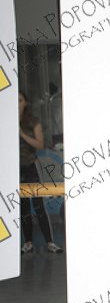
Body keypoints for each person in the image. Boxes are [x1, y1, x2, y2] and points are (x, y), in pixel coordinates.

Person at [18, 90, 62, 254]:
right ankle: (28, 242)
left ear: (25, 103)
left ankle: (50, 242)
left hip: (31, 166)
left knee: (38, 205)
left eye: (20, 100)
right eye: (14, 100)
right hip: (15, 169)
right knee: (23, 207)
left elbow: (40, 145)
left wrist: (22, 134)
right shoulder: (5, 121)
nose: (16, 104)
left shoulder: (33, 121)